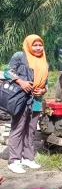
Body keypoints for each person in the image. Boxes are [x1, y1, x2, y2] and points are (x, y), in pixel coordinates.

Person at [4, 34, 48, 173]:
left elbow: (46, 82)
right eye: (34, 45)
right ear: (29, 45)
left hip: (36, 101)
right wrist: (21, 82)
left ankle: (28, 158)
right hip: (20, 99)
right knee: (18, 128)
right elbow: (7, 72)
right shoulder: (19, 56)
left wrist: (43, 90)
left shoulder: (44, 61)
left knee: (31, 130)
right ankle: (14, 161)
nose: (38, 48)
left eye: (40, 45)